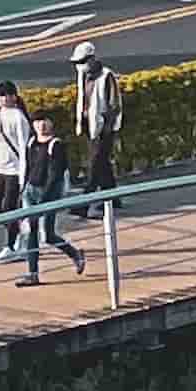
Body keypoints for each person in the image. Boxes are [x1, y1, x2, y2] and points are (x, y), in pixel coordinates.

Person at [18, 111, 85, 284]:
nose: (41, 125)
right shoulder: (31, 143)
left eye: (44, 121)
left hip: (48, 194)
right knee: (30, 232)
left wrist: (45, 199)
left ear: (51, 123)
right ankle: (32, 273)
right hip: (30, 191)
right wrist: (23, 189)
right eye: (37, 122)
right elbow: (28, 168)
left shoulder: (56, 145)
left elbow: (56, 174)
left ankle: (75, 254)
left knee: (48, 235)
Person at [0, 78, 32, 254]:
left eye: (5, 95)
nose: (2, 99)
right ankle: (21, 228)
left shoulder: (19, 117)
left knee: (9, 208)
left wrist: (23, 176)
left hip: (14, 171)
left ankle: (11, 245)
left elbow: (24, 148)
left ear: (14, 97)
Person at [71, 41, 124, 195]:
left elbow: (114, 105)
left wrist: (107, 128)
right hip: (89, 125)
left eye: (82, 62)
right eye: (77, 63)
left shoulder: (107, 76)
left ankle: (84, 202)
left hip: (104, 128)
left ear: (92, 59)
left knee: (95, 164)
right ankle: (112, 197)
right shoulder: (83, 76)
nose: (79, 66)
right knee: (102, 164)